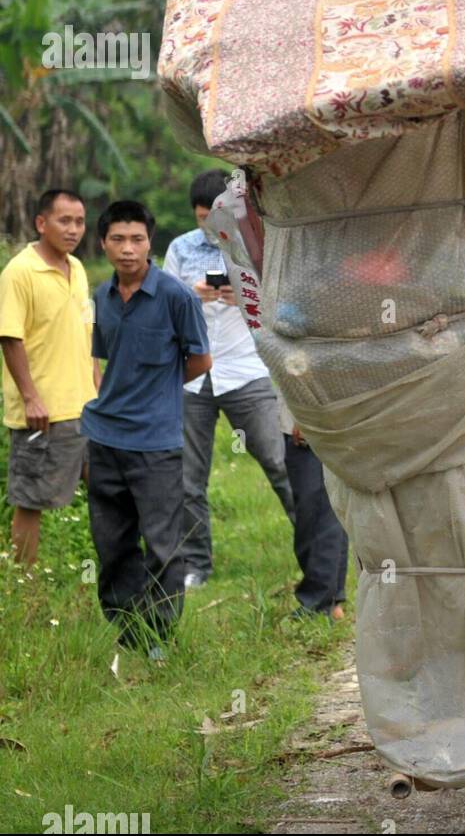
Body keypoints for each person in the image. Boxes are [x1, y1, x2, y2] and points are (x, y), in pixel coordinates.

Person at [82, 201, 211, 658]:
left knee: (162, 545)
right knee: (112, 542)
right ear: (104, 244)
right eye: (117, 239)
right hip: (104, 438)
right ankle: (127, 629)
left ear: (149, 242)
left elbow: (200, 360)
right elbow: (100, 358)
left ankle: (159, 635)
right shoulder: (99, 298)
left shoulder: (177, 297)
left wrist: (158, 392)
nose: (128, 249)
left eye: (136, 239)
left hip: (156, 442)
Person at [163, 170, 295, 589]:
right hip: (191, 377)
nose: (208, 225)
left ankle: (315, 552)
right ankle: (195, 566)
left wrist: (242, 296)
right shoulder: (180, 249)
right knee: (188, 478)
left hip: (246, 370)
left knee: (279, 460)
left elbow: (281, 301)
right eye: (201, 217)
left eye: (213, 214)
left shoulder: (254, 242)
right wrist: (191, 294)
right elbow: (162, 307)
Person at [0, 189, 98, 566]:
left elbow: (87, 334)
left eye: (79, 221)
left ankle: (112, 571)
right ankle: (25, 585)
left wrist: (98, 387)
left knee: (106, 491)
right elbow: (10, 337)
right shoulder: (20, 272)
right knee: (31, 500)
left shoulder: (77, 269)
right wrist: (30, 397)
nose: (74, 229)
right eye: (65, 221)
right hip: (44, 410)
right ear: (42, 223)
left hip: (86, 407)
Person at [280, 398, 349, 621]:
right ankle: (331, 599)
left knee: (318, 511)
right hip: (305, 420)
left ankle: (318, 603)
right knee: (322, 511)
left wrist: (307, 417)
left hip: (315, 421)